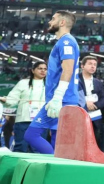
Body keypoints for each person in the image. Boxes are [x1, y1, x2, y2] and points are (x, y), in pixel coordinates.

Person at [24, 11, 80, 154]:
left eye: (53, 19)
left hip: (62, 99)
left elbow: (67, 70)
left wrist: (57, 97)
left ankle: (54, 162)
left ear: (62, 22)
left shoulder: (66, 42)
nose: (49, 22)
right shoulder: (65, 42)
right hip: (64, 99)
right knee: (58, 142)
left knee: (31, 135)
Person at [0, 62, 47, 152]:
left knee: (37, 149)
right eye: (40, 68)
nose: (43, 71)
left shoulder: (50, 85)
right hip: (23, 120)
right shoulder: (23, 83)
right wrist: (5, 100)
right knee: (20, 147)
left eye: (45, 69)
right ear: (33, 70)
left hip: (41, 121)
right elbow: (12, 99)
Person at [77, 56, 104, 131]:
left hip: (95, 118)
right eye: (90, 64)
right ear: (82, 66)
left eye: (95, 64)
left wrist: (94, 105)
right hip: (79, 116)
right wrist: (85, 104)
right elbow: (72, 96)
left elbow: (103, 99)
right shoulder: (75, 81)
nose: (93, 66)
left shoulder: (98, 82)